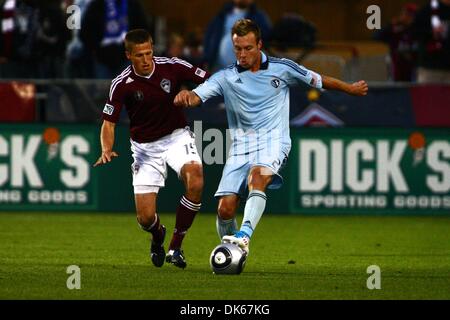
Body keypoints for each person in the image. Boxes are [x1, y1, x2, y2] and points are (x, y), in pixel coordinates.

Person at [174, 19, 368, 257]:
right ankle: (234, 252)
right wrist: (186, 95)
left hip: (273, 142)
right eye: (238, 49)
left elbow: (318, 79)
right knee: (225, 209)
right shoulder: (225, 76)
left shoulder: (282, 68)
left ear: (259, 45)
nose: (242, 54)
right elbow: (197, 96)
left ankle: (244, 236)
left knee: (258, 177)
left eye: (248, 48)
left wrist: (350, 88)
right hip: (240, 147)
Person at [93, 29, 209, 269]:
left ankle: (176, 247)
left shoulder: (173, 66)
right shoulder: (121, 84)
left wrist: (192, 92)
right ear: (128, 55)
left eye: (149, 53)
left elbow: (212, 80)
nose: (146, 60)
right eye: (139, 55)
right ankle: (158, 237)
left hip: (177, 136)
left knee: (196, 181)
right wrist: (107, 148)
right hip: (145, 149)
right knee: (145, 218)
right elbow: (109, 122)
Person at [79, 0, 151, 79]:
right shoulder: (97, 4)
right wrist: (96, 49)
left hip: (127, 59)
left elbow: (143, 30)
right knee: (104, 90)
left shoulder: (133, 5)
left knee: (127, 89)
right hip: (102, 60)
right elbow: (85, 32)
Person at [203, 0, 271, 71]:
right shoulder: (222, 15)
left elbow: (266, 39)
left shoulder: (258, 17)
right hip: (219, 68)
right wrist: (207, 58)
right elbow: (209, 37)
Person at [373, 3, 419, 82]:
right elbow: (377, 36)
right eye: (406, 14)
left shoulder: (419, 30)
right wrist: (391, 25)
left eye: (411, 15)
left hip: (414, 69)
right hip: (396, 68)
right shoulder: (395, 29)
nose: (408, 17)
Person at [412, 0, 450, 83]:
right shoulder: (428, 10)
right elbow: (414, 33)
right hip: (430, 68)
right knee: (429, 95)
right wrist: (430, 32)